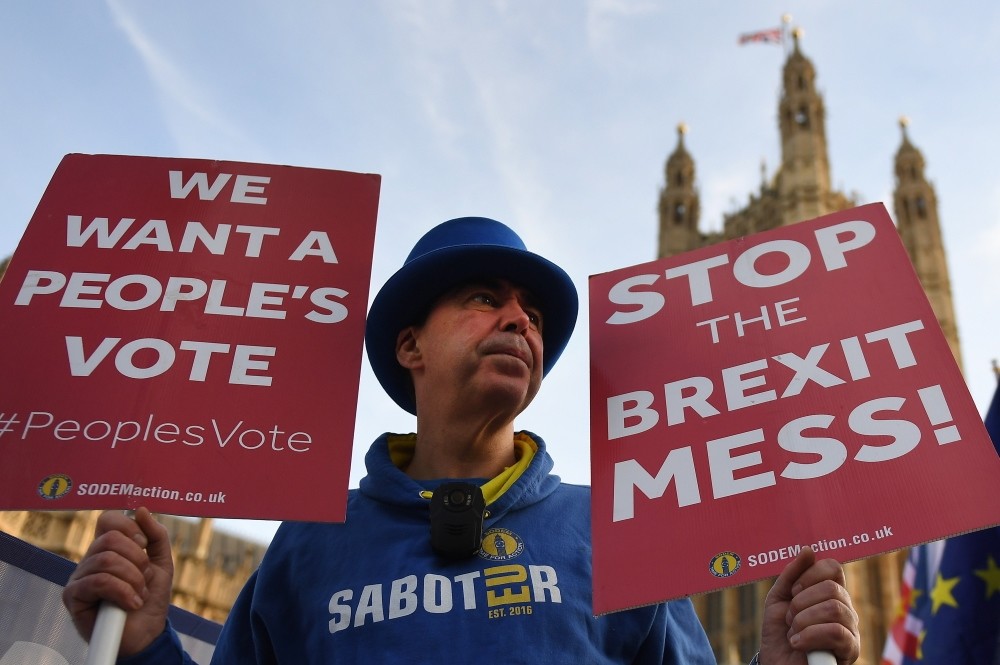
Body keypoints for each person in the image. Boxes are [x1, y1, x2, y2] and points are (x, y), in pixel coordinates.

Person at [63, 217, 860, 664]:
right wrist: (140, 648)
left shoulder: (616, 535)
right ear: (411, 347)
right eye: (485, 298)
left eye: (534, 314)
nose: (520, 319)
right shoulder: (310, 543)